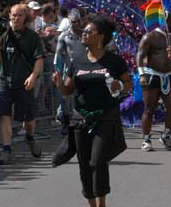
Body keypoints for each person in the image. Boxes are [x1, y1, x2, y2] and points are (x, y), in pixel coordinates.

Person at [53, 16, 131, 207]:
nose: (84, 35)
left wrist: (118, 85)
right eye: (83, 32)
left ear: (101, 37)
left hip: (105, 118)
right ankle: (92, 204)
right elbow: (68, 91)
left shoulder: (114, 61)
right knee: (84, 164)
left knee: (97, 161)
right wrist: (60, 84)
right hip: (81, 119)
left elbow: (128, 85)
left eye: (89, 32)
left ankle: (102, 203)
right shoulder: (77, 61)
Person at [0, 4, 46, 165]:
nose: (16, 18)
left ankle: (30, 138)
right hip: (5, 81)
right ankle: (7, 151)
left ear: (25, 18)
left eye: (19, 15)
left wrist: (33, 77)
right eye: (13, 15)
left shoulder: (32, 37)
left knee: (28, 119)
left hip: (24, 82)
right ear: (9, 17)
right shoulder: (4, 34)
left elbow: (40, 59)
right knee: (4, 115)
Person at [137, 12, 171, 154]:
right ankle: (146, 139)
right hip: (151, 75)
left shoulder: (170, 38)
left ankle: (166, 134)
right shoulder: (149, 36)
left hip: (167, 76)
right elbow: (140, 55)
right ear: (164, 21)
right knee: (149, 109)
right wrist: (142, 74)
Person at [54, 9, 88, 128]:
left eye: (78, 21)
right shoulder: (64, 36)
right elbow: (58, 54)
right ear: (70, 22)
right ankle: (66, 120)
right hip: (68, 70)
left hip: (84, 69)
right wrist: (57, 70)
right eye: (73, 21)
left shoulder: (85, 34)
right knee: (65, 97)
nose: (76, 24)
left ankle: (82, 118)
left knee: (83, 95)